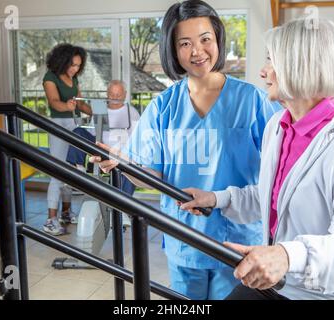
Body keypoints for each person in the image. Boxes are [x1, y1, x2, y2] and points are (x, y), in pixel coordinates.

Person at [180, 17, 334, 300]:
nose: (263, 72)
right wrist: (216, 199)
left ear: (300, 65)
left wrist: (286, 255)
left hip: (331, 292)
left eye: (271, 61)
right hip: (282, 283)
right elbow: (271, 197)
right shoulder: (278, 126)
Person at [90, 0, 281, 300]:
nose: (197, 51)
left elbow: (278, 174)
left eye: (205, 39)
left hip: (238, 242)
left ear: (218, 39)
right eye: (185, 43)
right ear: (173, 50)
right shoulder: (163, 106)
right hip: (184, 239)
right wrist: (123, 164)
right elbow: (151, 173)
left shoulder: (255, 101)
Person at [66, 80, 140, 224]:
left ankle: (122, 208)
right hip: (101, 148)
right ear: (107, 94)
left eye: (118, 94)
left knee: (131, 164)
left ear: (124, 95)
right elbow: (94, 133)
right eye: (112, 94)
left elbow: (136, 139)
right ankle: (78, 169)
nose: (114, 97)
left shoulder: (131, 112)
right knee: (78, 132)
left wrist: (124, 154)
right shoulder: (100, 109)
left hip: (121, 152)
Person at [42, 43, 93, 236]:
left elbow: (80, 104)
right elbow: (54, 102)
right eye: (72, 64)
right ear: (62, 61)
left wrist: (100, 110)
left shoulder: (74, 79)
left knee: (70, 170)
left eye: (78, 65)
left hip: (74, 124)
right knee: (57, 172)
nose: (75, 69)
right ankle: (50, 219)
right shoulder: (50, 77)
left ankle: (65, 212)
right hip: (58, 125)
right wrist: (69, 105)